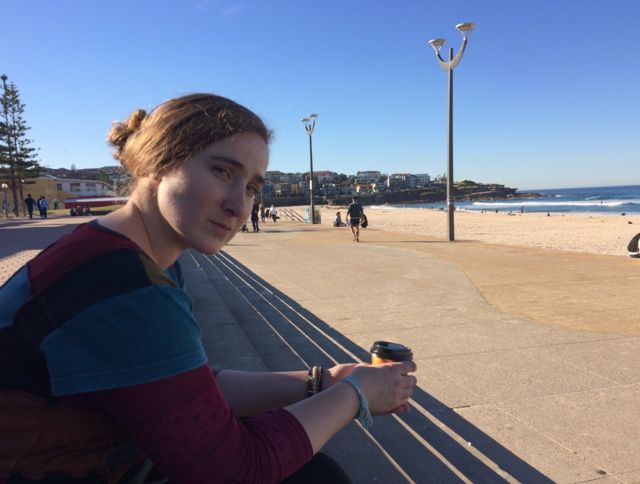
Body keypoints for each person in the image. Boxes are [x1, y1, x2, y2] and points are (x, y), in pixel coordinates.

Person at [0, 93, 417, 483]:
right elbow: (235, 471)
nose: (238, 205)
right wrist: (354, 394)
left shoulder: (134, 257)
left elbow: (186, 388)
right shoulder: (122, 285)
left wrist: (324, 380)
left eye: (251, 188)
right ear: (158, 163)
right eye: (222, 171)